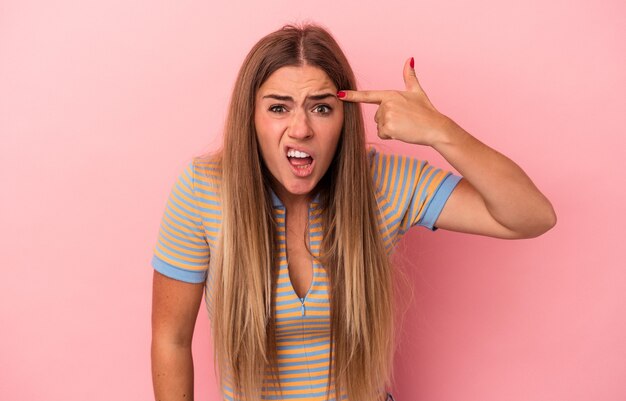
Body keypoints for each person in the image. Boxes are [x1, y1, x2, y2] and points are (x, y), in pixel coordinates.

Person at [150, 24, 556, 401]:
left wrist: (439, 130)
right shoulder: (203, 191)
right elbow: (170, 339)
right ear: (250, 117)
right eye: (278, 108)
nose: (301, 128)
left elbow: (531, 215)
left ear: (344, 118)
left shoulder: (382, 182)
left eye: (321, 108)